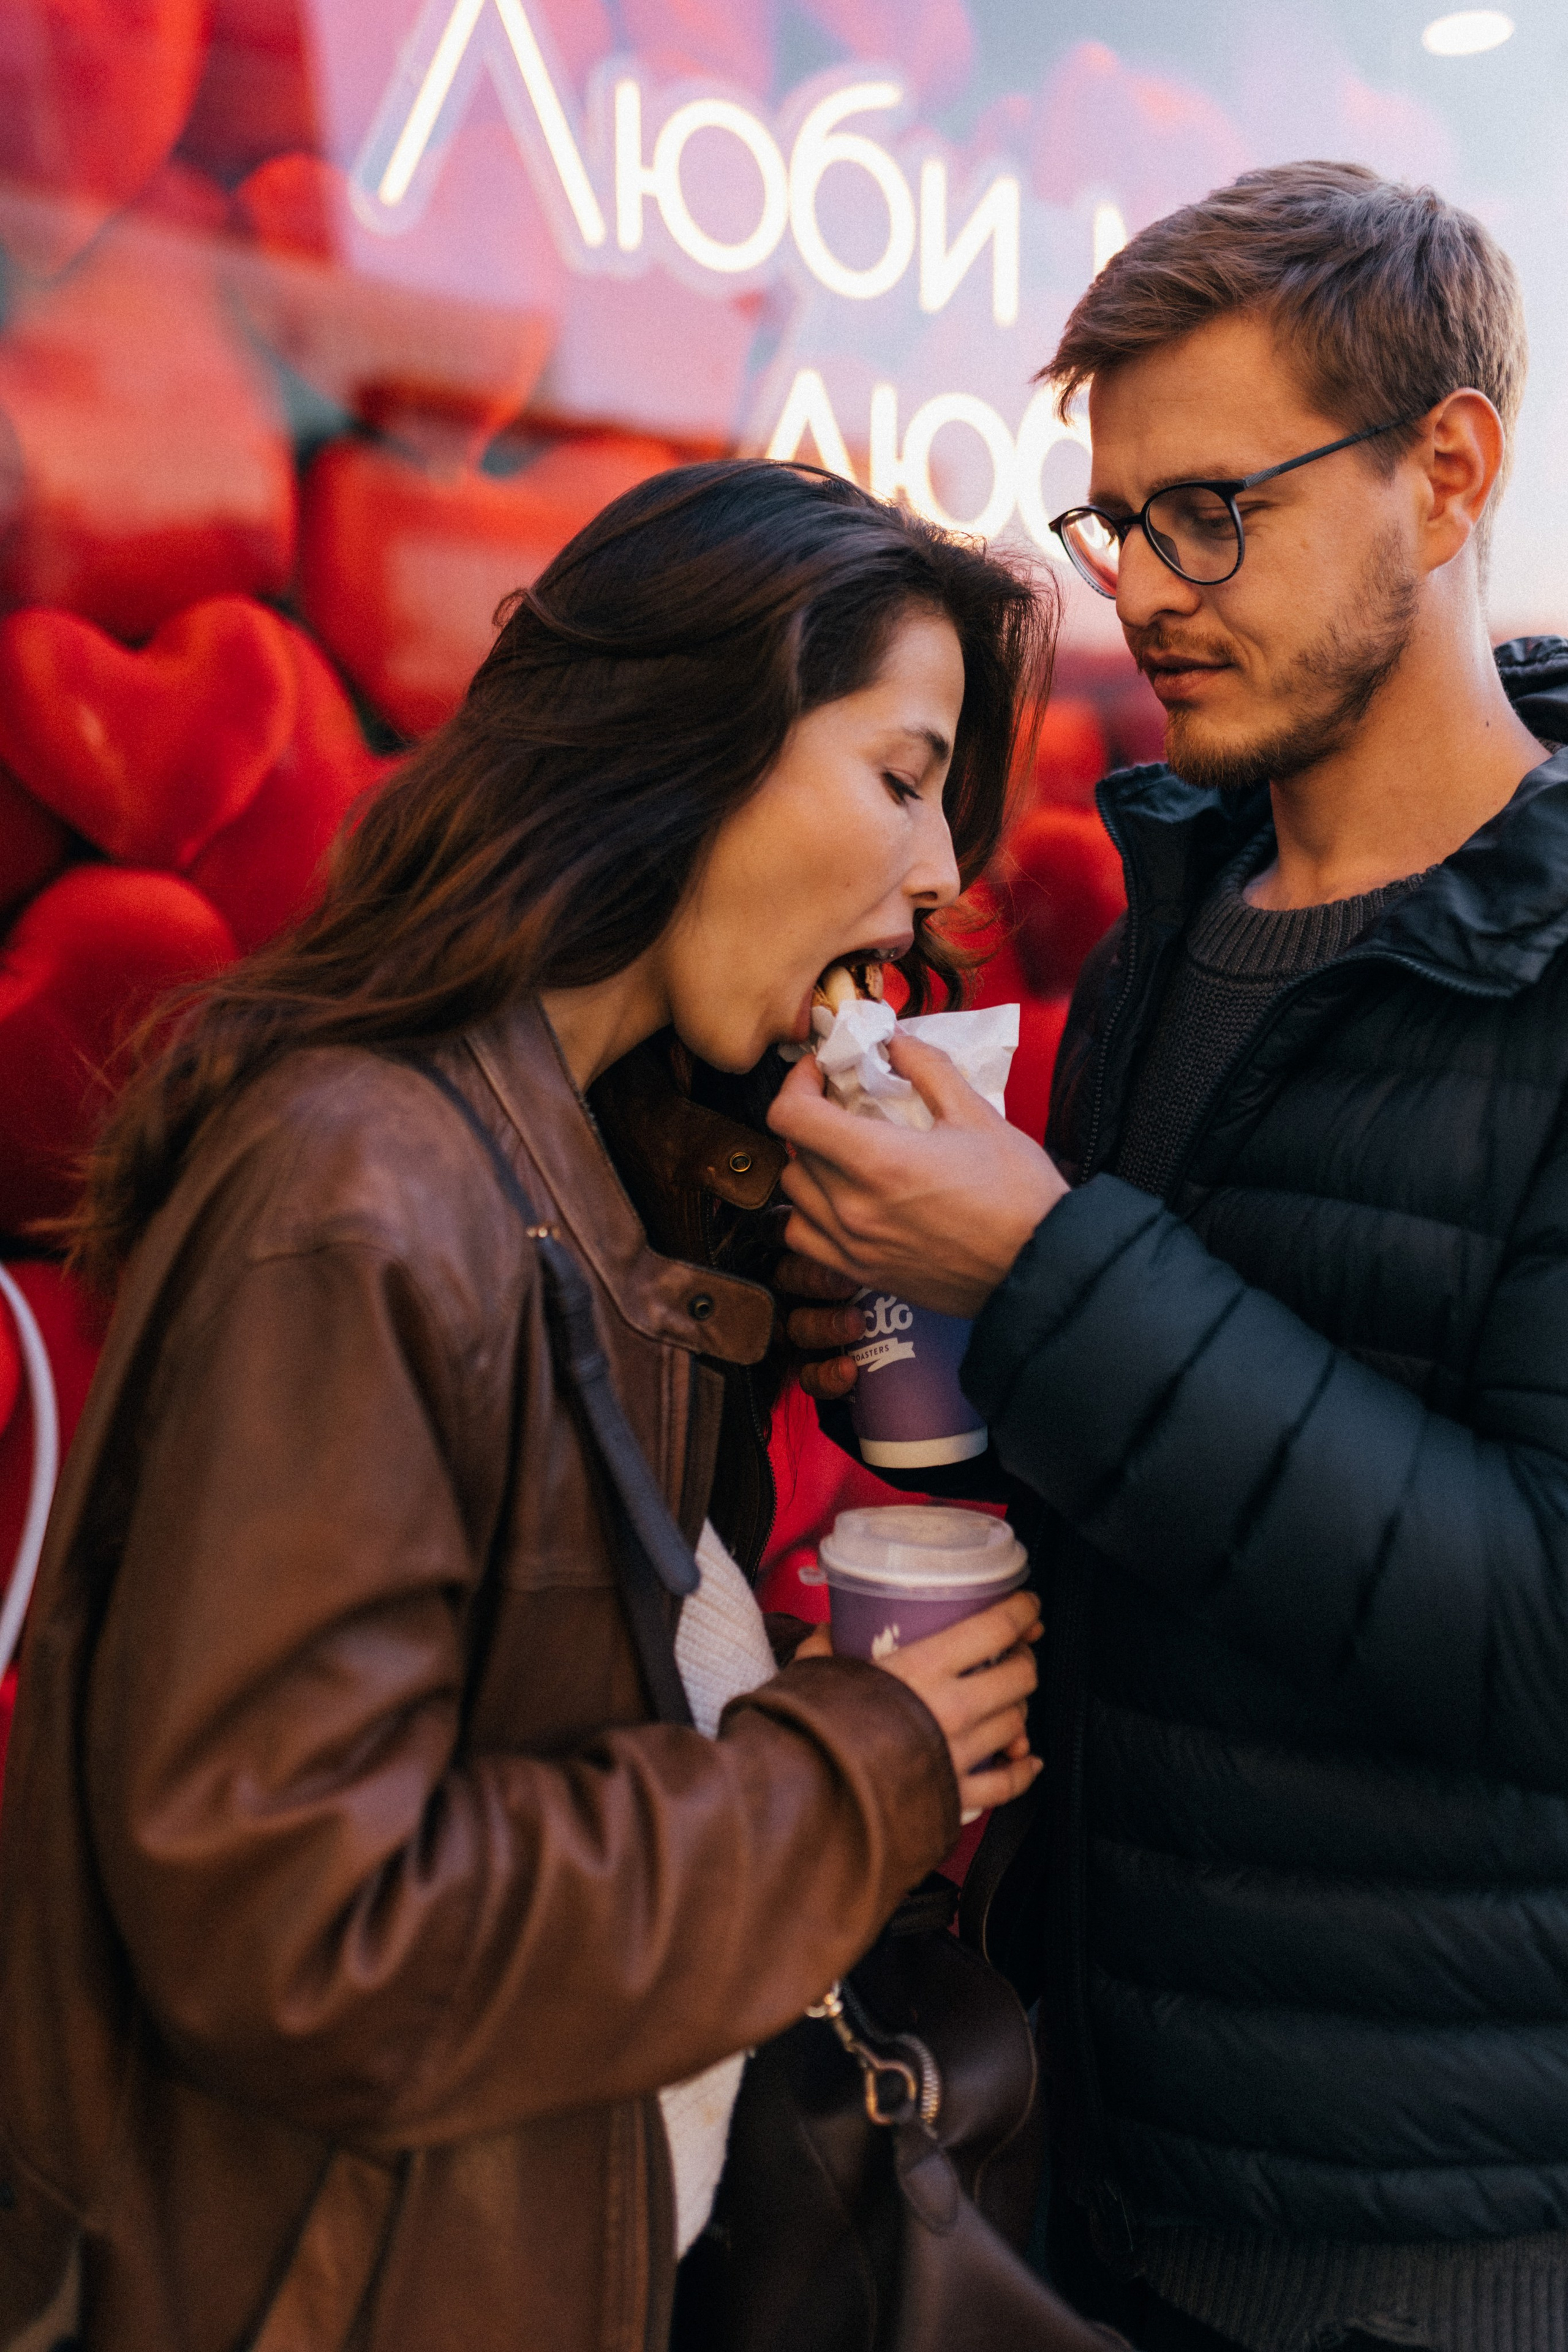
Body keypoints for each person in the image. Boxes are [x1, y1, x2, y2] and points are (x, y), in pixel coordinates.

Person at [0, 459, 1055, 2352]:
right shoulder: (366, 1192)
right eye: (902, 776)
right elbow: (311, 1939)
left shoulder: (567, 1185)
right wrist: (860, 1763)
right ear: (685, 741)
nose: (942, 880)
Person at [772, 163, 1568, 2352]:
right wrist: (916, 1351)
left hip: (1427, 2252)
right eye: (1118, 524)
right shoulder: (1169, 928)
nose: (1147, 591)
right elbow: (1169, 1489)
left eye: (1211, 509)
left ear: (1448, 472)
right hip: (1092, 2157)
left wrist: (1044, 1280)